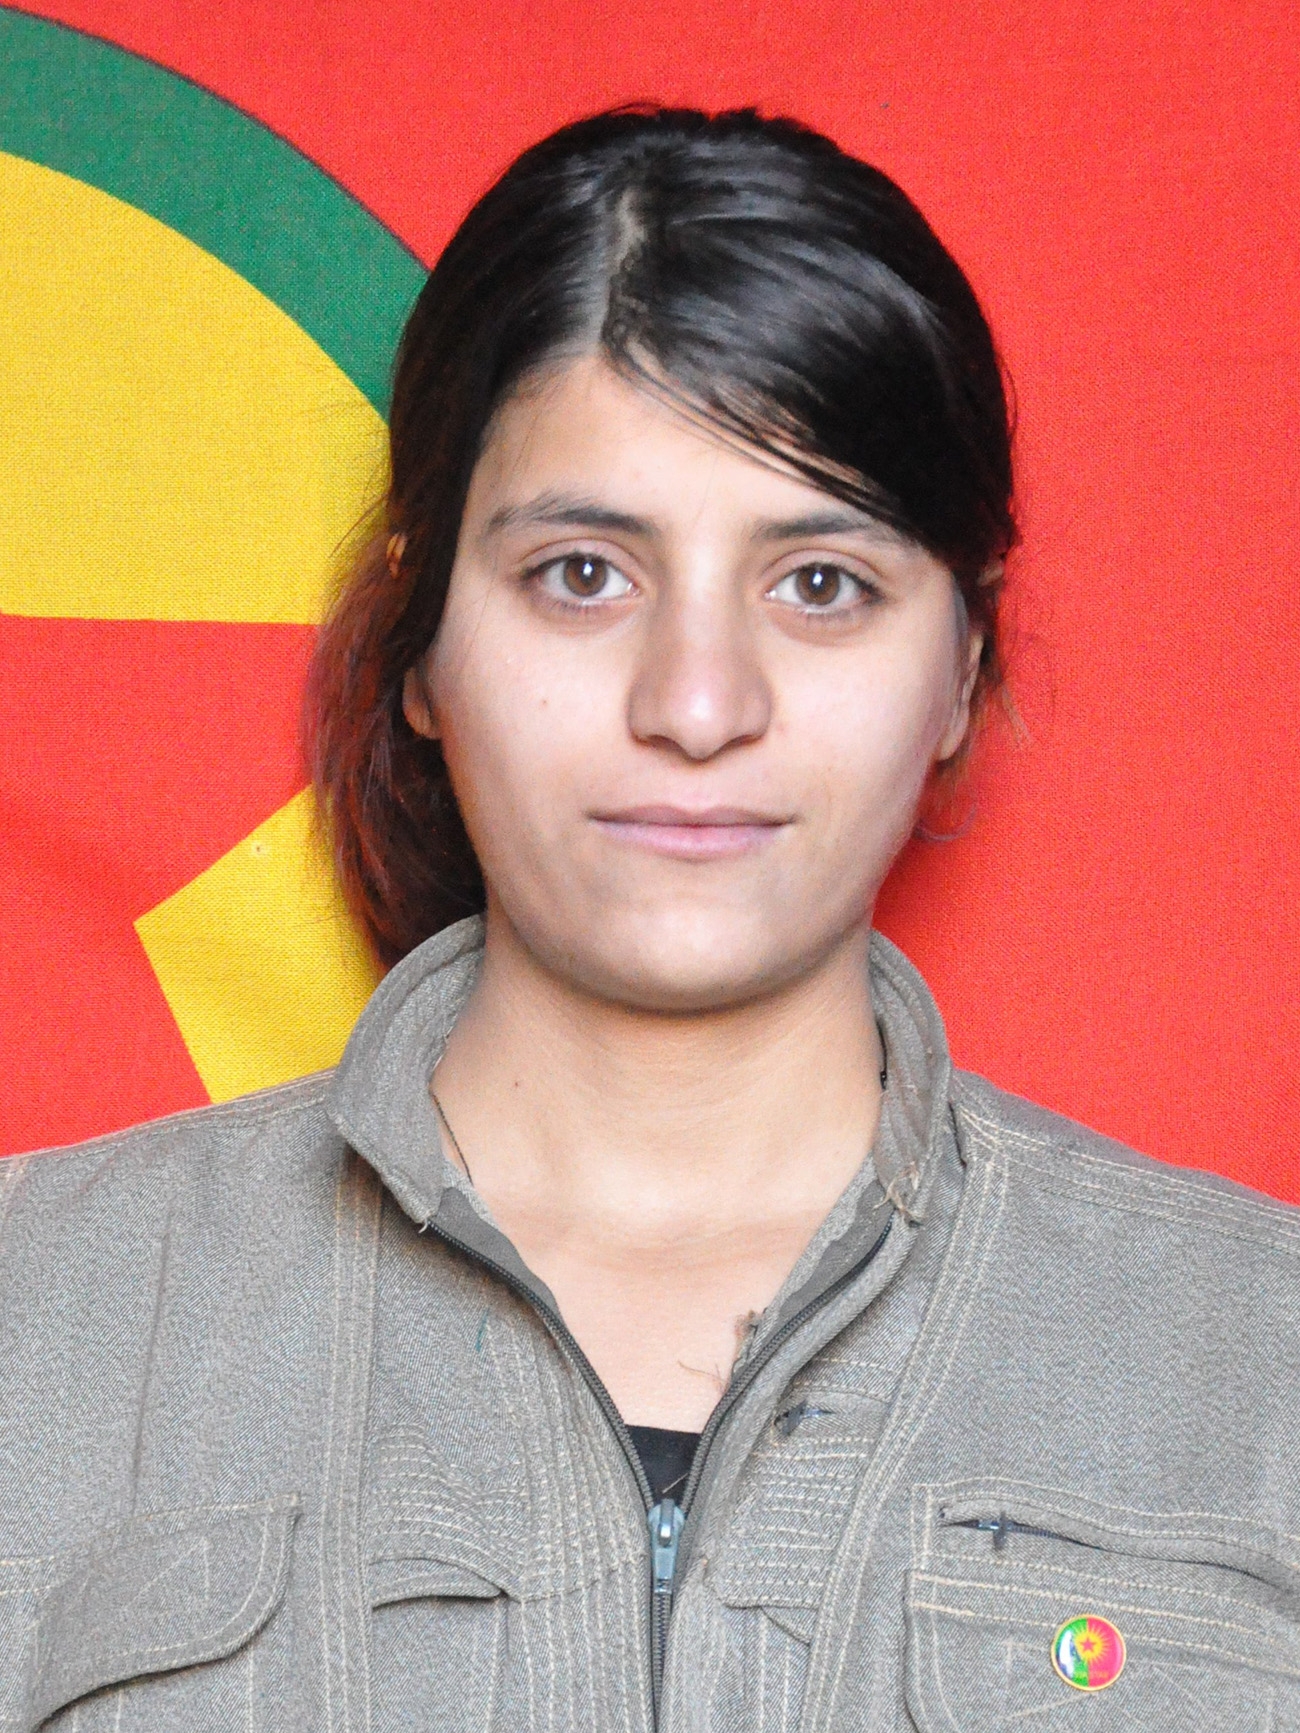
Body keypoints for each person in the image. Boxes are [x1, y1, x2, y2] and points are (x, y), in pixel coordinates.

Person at [2, 106, 1298, 1733]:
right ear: (422, 642)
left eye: (819, 583)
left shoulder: (1261, 1361)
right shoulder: (35, 1316)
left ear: (961, 667)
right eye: (583, 574)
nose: (696, 703)